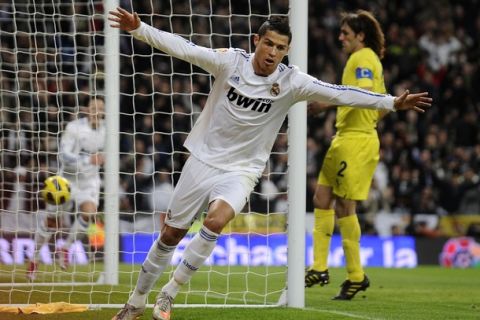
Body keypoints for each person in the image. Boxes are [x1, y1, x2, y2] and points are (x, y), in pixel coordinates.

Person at [107, 7, 431, 320]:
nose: (274, 53)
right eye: (269, 44)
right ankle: (135, 303)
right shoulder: (230, 62)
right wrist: (140, 29)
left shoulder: (292, 81)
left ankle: (169, 294)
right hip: (203, 160)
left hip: (242, 170)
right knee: (170, 235)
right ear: (256, 41)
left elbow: (339, 93)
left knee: (216, 221)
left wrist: (390, 102)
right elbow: (185, 48)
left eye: (281, 48)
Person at [304, 10, 394, 300]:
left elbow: (366, 92)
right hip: (346, 138)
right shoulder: (362, 60)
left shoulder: (363, 58)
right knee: (321, 196)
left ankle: (355, 275)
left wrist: (326, 104)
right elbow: (379, 104)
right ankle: (319, 267)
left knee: (345, 207)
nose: (340, 38)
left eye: (345, 33)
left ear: (360, 36)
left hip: (356, 142)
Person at [27, 97, 106, 281]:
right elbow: (63, 156)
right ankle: (34, 259)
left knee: (89, 212)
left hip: (89, 182)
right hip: (66, 181)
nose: (96, 111)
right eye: (93, 107)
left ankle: (66, 247)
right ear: (87, 109)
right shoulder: (74, 128)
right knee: (52, 222)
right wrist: (88, 160)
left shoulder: (107, 131)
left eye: (100, 108)